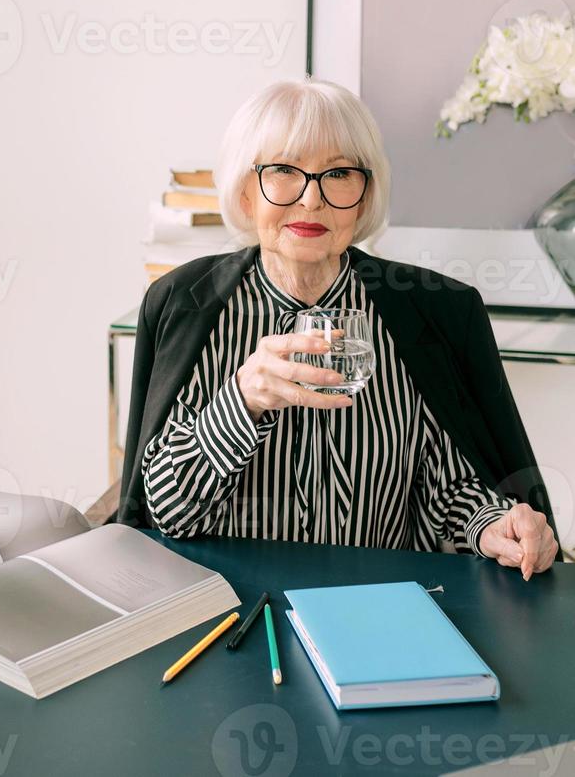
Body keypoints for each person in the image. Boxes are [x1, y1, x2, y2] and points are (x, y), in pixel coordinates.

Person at [118, 79, 562, 577]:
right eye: (284, 170)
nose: (311, 200)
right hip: (232, 609)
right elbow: (167, 514)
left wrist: (491, 527)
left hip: (377, 605)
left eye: (339, 173)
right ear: (245, 192)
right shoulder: (186, 304)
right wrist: (240, 401)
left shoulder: (435, 311)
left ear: (365, 192)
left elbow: (446, 492)